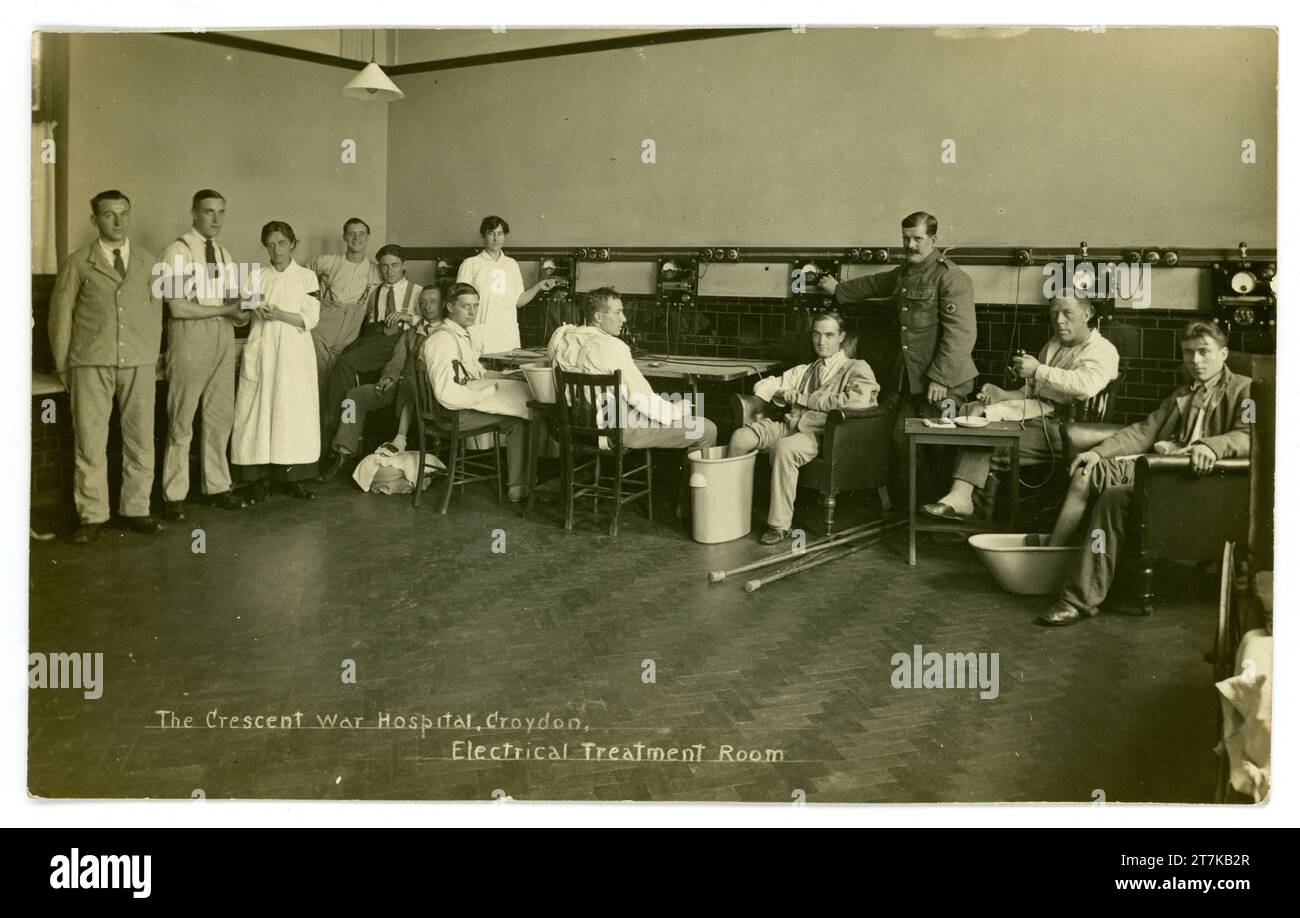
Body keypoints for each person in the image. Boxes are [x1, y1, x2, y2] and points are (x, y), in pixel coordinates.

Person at [1039, 320, 1251, 626]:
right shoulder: (1182, 392)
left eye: (1204, 352)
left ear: (1224, 353)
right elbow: (1143, 431)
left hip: (1201, 482)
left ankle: (1078, 598)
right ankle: (1053, 563)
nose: (1196, 361)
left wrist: (1212, 446)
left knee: (1113, 499)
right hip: (1162, 470)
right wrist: (1098, 452)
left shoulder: (1247, 391)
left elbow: (1251, 434)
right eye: (1188, 353)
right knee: (1088, 471)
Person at [819, 211, 977, 494]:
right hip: (913, 380)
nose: (911, 245)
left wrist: (940, 379)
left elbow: (961, 335)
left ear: (933, 239)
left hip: (945, 383)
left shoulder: (952, 278)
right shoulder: (906, 273)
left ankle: (945, 513)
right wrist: (839, 289)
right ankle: (916, 511)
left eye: (918, 238)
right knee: (901, 440)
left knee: (939, 445)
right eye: (906, 238)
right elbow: (874, 283)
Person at [921, 295, 1120, 520]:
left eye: (1067, 314)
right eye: (1054, 314)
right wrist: (1002, 395)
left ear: (1087, 315)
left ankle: (966, 510)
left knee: (991, 439)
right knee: (974, 415)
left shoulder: (1102, 350)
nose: (1059, 320)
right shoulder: (1054, 345)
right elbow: (1037, 391)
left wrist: (1037, 371)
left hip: (1071, 431)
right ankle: (964, 506)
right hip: (1044, 416)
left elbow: (1086, 385)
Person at [48, 190, 163, 543]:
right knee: (90, 442)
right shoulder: (78, 262)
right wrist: (64, 365)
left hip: (139, 363)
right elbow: (59, 317)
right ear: (94, 219)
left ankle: (136, 509)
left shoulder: (148, 262)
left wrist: (152, 356)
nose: (118, 221)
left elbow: (156, 313)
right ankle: (93, 516)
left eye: (124, 213)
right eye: (109, 214)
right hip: (90, 362)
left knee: (141, 441)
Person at [548, 288, 719, 514]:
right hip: (615, 430)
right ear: (598, 317)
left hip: (575, 429)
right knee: (705, 428)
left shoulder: (561, 338)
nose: (624, 318)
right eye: (618, 312)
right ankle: (694, 509)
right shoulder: (613, 347)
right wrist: (679, 412)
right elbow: (642, 399)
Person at [727, 310, 880, 543]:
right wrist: (780, 393)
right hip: (791, 425)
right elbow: (764, 388)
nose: (821, 341)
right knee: (740, 437)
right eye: (817, 334)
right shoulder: (806, 369)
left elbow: (859, 401)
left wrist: (804, 398)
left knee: (785, 449)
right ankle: (731, 513)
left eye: (829, 335)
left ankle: (779, 526)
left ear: (842, 337)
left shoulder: (856, 367)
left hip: (821, 433)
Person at [158, 189, 250, 518]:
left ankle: (217, 486)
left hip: (223, 335)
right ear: (194, 213)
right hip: (190, 337)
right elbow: (179, 308)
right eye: (209, 212)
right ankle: (174, 495)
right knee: (181, 418)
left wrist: (244, 310)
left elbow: (232, 301)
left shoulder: (223, 253)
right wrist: (226, 309)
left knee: (219, 416)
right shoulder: (177, 251)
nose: (215, 218)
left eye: (221, 212)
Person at [230, 221, 321, 500]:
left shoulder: (307, 277)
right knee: (259, 412)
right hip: (263, 350)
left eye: (282, 243)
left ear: (293, 243)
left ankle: (295, 477)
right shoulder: (256, 277)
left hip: (294, 354)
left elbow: (310, 319)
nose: (276, 249)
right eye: (270, 244)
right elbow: (241, 317)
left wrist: (279, 313)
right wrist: (247, 307)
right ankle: (260, 479)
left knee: (292, 413)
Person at [422, 283, 532, 501]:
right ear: (450, 307)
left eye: (475, 306)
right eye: (465, 306)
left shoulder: (461, 335)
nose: (472, 312)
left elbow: (475, 373)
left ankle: (522, 481)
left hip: (455, 409)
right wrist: (483, 396)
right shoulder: (442, 340)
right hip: (449, 415)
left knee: (519, 393)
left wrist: (506, 376)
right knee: (519, 421)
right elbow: (446, 393)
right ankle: (519, 487)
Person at [322, 286, 442, 477]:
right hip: (399, 386)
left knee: (410, 386)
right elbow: (396, 360)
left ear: (443, 304)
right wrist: (388, 378)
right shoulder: (410, 333)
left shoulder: (444, 333)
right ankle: (344, 451)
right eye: (423, 302)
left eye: (433, 301)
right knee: (353, 397)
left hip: (426, 393)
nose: (427, 306)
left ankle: (400, 439)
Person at [318, 244, 422, 457]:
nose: (389, 271)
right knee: (341, 362)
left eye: (394, 265)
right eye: (384, 266)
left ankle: (337, 424)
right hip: (375, 339)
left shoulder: (417, 291)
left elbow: (432, 322)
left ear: (404, 266)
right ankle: (341, 422)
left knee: (346, 363)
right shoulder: (374, 293)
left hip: (399, 342)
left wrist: (408, 318)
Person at [455, 215, 560, 354]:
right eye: (491, 233)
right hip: (480, 334)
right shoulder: (471, 264)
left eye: (500, 234)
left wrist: (538, 286)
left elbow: (518, 301)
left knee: (508, 374)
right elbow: (460, 302)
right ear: (483, 236)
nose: (496, 239)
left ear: (504, 236)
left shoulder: (511, 264)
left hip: (507, 336)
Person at [309, 217, 381, 386]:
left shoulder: (375, 271)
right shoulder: (326, 262)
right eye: (352, 234)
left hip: (351, 329)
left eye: (362, 234)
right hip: (322, 326)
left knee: (338, 376)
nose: (357, 238)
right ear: (344, 237)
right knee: (316, 375)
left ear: (368, 236)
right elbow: (301, 278)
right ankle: (315, 413)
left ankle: (332, 413)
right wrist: (311, 302)